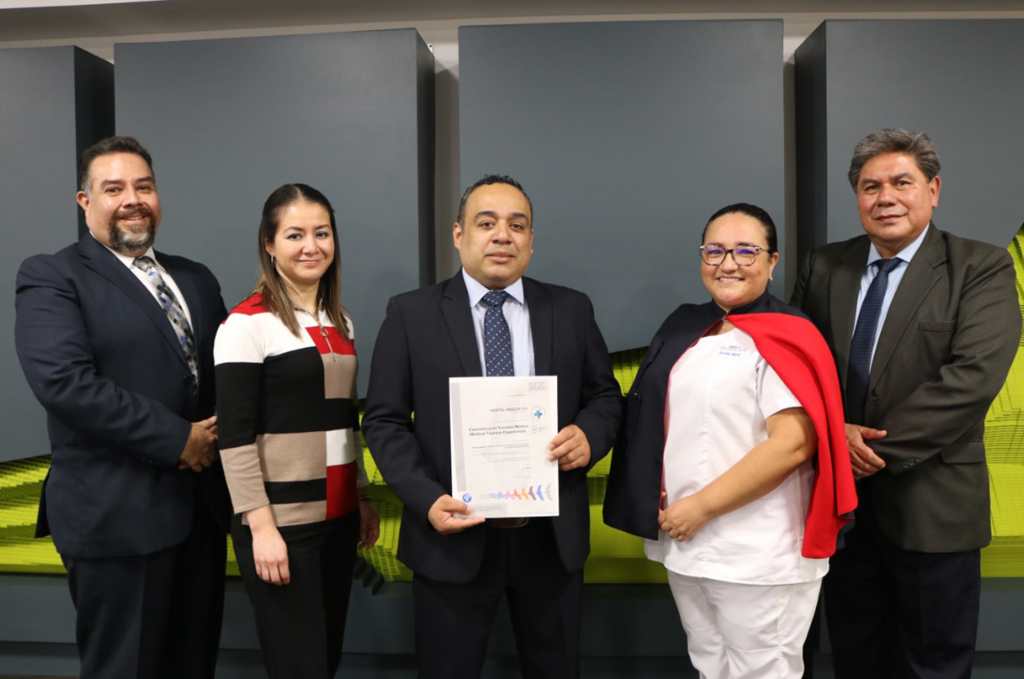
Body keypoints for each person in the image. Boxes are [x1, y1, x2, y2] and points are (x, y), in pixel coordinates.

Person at [362, 174, 622, 678]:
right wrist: (427, 498)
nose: (503, 235)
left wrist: (590, 436)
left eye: (517, 225)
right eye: (487, 223)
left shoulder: (571, 309)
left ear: (531, 240)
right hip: (450, 535)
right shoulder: (411, 314)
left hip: (549, 540)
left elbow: (605, 397)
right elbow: (385, 421)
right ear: (458, 235)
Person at [791, 129, 1021, 679]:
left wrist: (862, 449)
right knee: (855, 659)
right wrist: (832, 434)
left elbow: (970, 379)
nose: (886, 198)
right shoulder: (824, 266)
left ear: (933, 190)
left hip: (933, 509)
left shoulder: (980, 266)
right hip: (842, 513)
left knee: (934, 666)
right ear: (857, 196)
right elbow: (795, 367)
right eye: (871, 187)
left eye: (902, 183)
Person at [604, 203, 857, 679]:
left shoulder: (790, 334)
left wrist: (701, 506)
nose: (728, 264)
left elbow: (792, 444)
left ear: (773, 261)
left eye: (745, 251)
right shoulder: (684, 326)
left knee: (763, 671)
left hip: (758, 550)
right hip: (686, 542)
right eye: (715, 251)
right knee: (709, 664)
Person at [14, 135, 229, 679]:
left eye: (144, 186)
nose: (133, 199)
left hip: (200, 516)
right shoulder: (52, 276)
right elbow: (65, 383)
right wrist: (178, 439)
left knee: (194, 666)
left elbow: (223, 378)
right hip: (116, 519)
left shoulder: (196, 278)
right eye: (114, 189)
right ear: (85, 201)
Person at [214, 183, 380, 678]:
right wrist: (261, 527)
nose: (312, 246)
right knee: (298, 665)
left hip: (338, 516)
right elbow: (234, 436)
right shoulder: (246, 324)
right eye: (295, 235)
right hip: (282, 524)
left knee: (325, 658)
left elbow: (344, 419)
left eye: (322, 233)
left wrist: (360, 495)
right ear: (269, 244)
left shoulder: (339, 320)